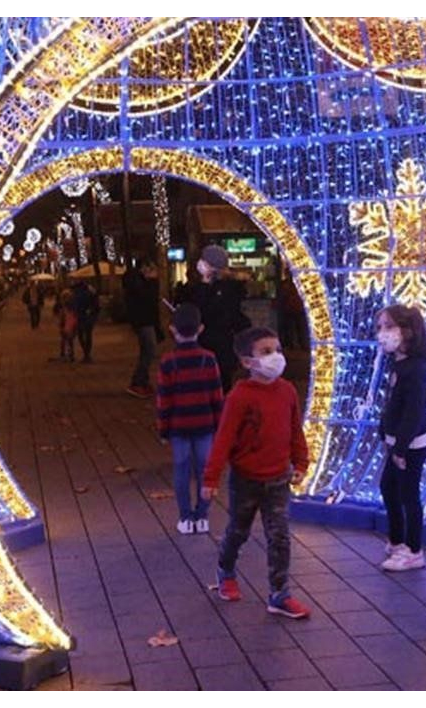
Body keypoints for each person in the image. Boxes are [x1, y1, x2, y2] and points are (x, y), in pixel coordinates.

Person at [200, 326, 311, 619]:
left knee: (280, 536)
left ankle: (279, 594)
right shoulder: (240, 397)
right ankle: (226, 571)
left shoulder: (286, 391)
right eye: (266, 352)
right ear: (247, 361)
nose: (275, 357)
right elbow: (224, 438)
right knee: (239, 530)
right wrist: (210, 479)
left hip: (278, 478)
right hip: (246, 479)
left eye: (277, 349)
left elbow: (294, 429)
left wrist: (301, 462)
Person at [375, 304, 426, 572]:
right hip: (397, 441)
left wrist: (399, 448)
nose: (382, 333)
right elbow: (393, 403)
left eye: (389, 326)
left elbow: (414, 412)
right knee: (388, 487)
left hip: (411, 444)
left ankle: (413, 549)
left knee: (408, 494)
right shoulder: (397, 364)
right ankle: (397, 540)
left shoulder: (416, 369)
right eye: (380, 327)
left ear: (408, 332)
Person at [157, 304, 224, 535]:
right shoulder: (209, 359)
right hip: (205, 424)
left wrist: (163, 429)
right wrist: (219, 425)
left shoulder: (168, 361)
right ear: (201, 328)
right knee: (206, 469)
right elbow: (217, 396)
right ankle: (202, 516)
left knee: (181, 469)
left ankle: (185, 517)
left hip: (178, 426)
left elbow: (164, 400)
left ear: (172, 329)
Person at [178, 245, 250, 392]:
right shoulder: (199, 287)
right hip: (205, 342)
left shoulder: (227, 288)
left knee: (220, 384)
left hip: (219, 345)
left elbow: (210, 310)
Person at [121, 258, 160, 398]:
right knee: (149, 351)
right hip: (143, 320)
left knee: (147, 351)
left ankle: (142, 381)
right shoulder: (138, 281)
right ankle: (137, 382)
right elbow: (147, 298)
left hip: (144, 320)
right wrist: (152, 281)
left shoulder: (136, 280)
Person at [71, 280, 100, 363]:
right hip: (88, 317)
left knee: (81, 335)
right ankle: (87, 354)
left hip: (81, 317)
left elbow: (74, 306)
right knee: (88, 335)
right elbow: (96, 306)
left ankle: (86, 353)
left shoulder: (77, 294)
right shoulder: (90, 293)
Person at [53, 287, 77, 362]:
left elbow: (59, 313)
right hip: (69, 323)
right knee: (68, 340)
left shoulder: (66, 306)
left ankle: (66, 354)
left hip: (68, 323)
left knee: (66, 339)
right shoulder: (71, 305)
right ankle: (69, 354)